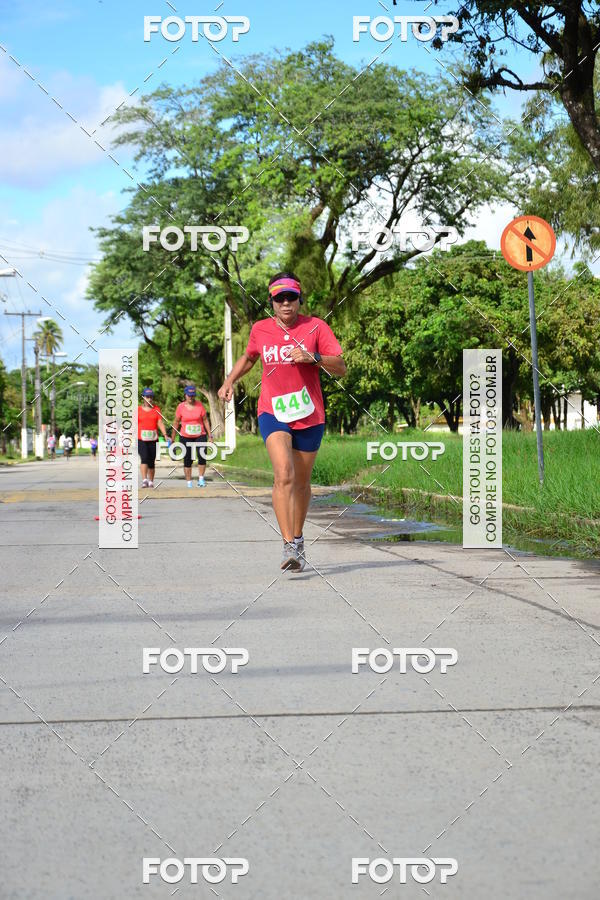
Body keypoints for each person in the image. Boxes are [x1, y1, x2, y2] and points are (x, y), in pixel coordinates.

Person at [218, 272, 346, 571]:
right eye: (279, 298)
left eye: (291, 297)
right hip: (273, 411)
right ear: (271, 302)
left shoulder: (316, 326)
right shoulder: (260, 329)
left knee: (301, 483)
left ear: (299, 299)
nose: (286, 303)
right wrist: (229, 381)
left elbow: (340, 366)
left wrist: (312, 357)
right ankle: (288, 544)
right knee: (284, 474)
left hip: (309, 413)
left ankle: (299, 538)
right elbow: (250, 357)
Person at [172, 385, 212, 487]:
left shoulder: (200, 405)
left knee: (202, 456)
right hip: (185, 436)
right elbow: (176, 422)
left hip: (200, 435)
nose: (191, 397)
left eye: (193, 395)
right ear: (185, 395)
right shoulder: (180, 407)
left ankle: (201, 479)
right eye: (189, 395)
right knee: (188, 459)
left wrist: (210, 435)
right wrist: (172, 438)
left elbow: (205, 420)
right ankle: (189, 482)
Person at [138, 387, 169, 488]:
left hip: (153, 439)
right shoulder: (138, 410)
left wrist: (165, 435)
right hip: (141, 439)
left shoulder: (156, 409)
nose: (149, 399)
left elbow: (160, 422)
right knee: (144, 458)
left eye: (151, 397)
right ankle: (144, 480)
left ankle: (151, 481)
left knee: (151, 460)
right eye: (147, 397)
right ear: (143, 397)